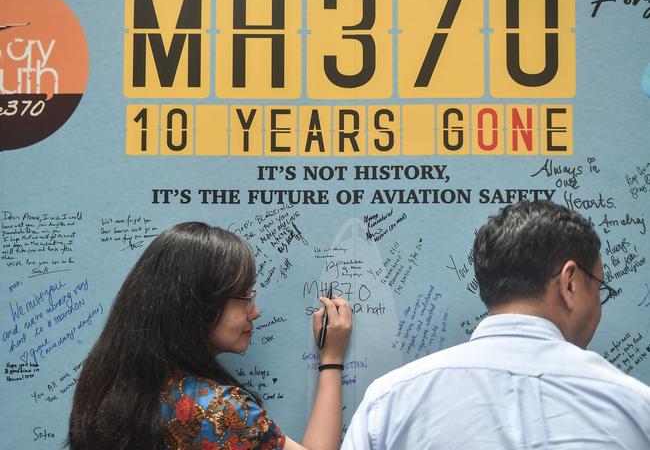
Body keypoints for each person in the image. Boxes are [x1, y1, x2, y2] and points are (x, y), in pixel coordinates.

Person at [342, 200, 650, 449]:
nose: (598, 305)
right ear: (569, 283)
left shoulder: (389, 403)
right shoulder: (635, 407)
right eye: (598, 288)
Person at [68, 222, 352, 450]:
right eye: (244, 297)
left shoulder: (104, 389)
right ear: (198, 305)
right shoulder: (219, 410)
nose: (255, 312)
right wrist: (331, 359)